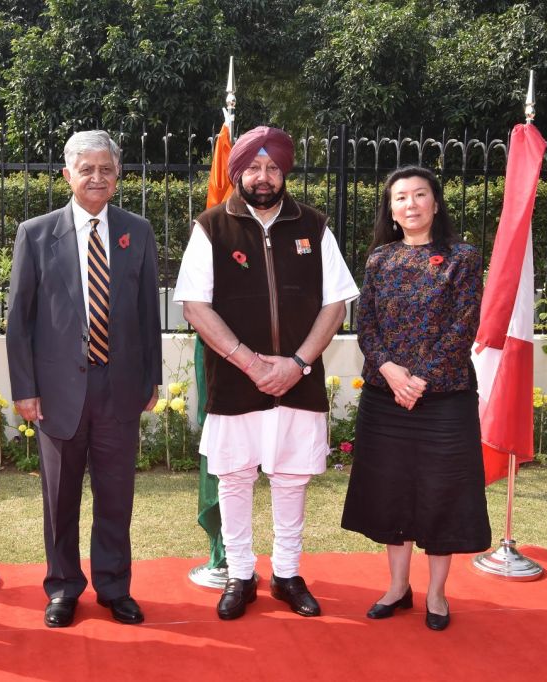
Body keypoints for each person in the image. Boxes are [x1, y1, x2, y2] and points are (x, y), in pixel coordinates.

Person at [174, 126, 359, 620]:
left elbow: (336, 303)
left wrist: (297, 363)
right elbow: (195, 307)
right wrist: (252, 363)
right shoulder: (211, 227)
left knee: (290, 478)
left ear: (285, 171)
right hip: (236, 380)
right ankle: (239, 574)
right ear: (237, 172)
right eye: (253, 167)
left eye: (272, 167)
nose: (263, 176)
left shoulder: (315, 226)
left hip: (298, 380)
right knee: (234, 478)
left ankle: (286, 572)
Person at [6, 130, 162, 628]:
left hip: (118, 390)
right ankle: (63, 587)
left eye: (106, 169)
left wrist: (151, 379)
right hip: (57, 393)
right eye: (86, 168)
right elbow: (19, 320)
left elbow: (145, 314)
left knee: (116, 495)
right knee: (61, 497)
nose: (97, 177)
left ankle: (115, 587)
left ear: (117, 178)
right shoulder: (35, 233)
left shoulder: (137, 232)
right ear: (67, 175)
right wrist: (25, 388)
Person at [341, 165, 491, 632]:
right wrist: (389, 370)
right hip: (386, 400)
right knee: (391, 492)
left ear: (436, 202)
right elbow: (366, 325)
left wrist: (419, 379)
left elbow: (464, 325)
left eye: (419, 195)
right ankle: (397, 587)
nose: (410, 204)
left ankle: (438, 593)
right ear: (391, 209)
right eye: (400, 197)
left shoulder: (462, 258)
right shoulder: (380, 260)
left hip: (444, 398)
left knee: (440, 494)